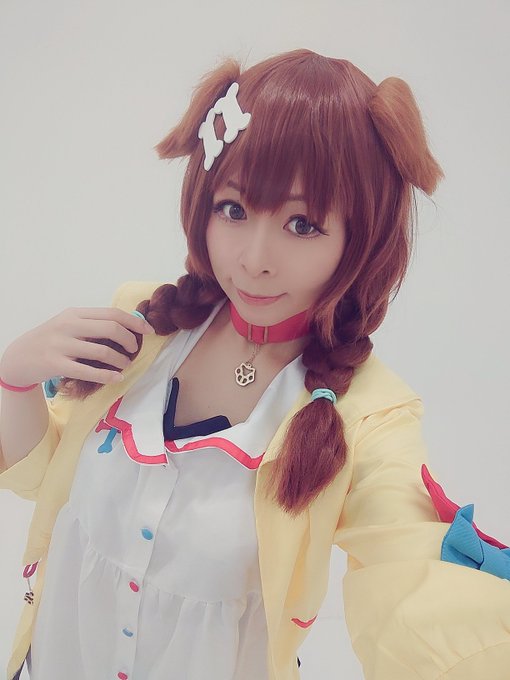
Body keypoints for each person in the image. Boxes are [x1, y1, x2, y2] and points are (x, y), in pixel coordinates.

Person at [0, 48, 509, 680]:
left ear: (361, 237)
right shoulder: (144, 326)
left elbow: (411, 580)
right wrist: (12, 379)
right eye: (234, 209)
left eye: (303, 224)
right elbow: (45, 477)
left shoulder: (368, 415)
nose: (254, 259)